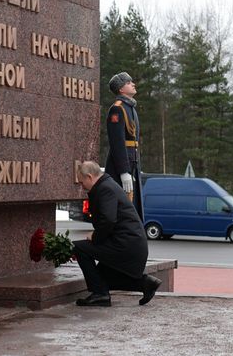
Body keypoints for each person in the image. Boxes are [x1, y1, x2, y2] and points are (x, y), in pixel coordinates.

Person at [73, 161, 161, 307]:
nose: (82, 187)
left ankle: (100, 294)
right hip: (129, 243)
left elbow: (108, 220)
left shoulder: (104, 189)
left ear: (89, 177)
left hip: (126, 245)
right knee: (101, 276)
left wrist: (94, 236)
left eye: (82, 183)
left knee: (80, 248)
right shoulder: (107, 185)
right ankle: (145, 283)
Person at [105, 72, 144, 221]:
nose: (133, 84)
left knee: (132, 207)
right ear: (121, 89)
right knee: (121, 209)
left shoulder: (131, 108)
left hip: (132, 163)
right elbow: (117, 142)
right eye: (129, 83)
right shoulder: (117, 109)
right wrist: (123, 171)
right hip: (121, 167)